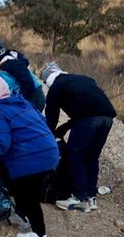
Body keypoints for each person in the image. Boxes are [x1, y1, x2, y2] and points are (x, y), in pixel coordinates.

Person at [0, 76, 59, 237]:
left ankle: (40, 235)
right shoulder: (23, 103)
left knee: (29, 195)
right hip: (50, 151)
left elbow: (1, 143)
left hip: (33, 156)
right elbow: (41, 124)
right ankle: (21, 215)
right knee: (22, 186)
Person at [41, 62, 117, 212]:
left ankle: (79, 198)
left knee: (75, 155)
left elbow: (51, 116)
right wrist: (65, 128)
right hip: (107, 118)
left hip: (87, 120)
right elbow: (87, 103)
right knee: (92, 156)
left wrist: (47, 136)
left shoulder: (56, 86)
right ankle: (91, 197)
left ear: (48, 79)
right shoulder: (83, 79)